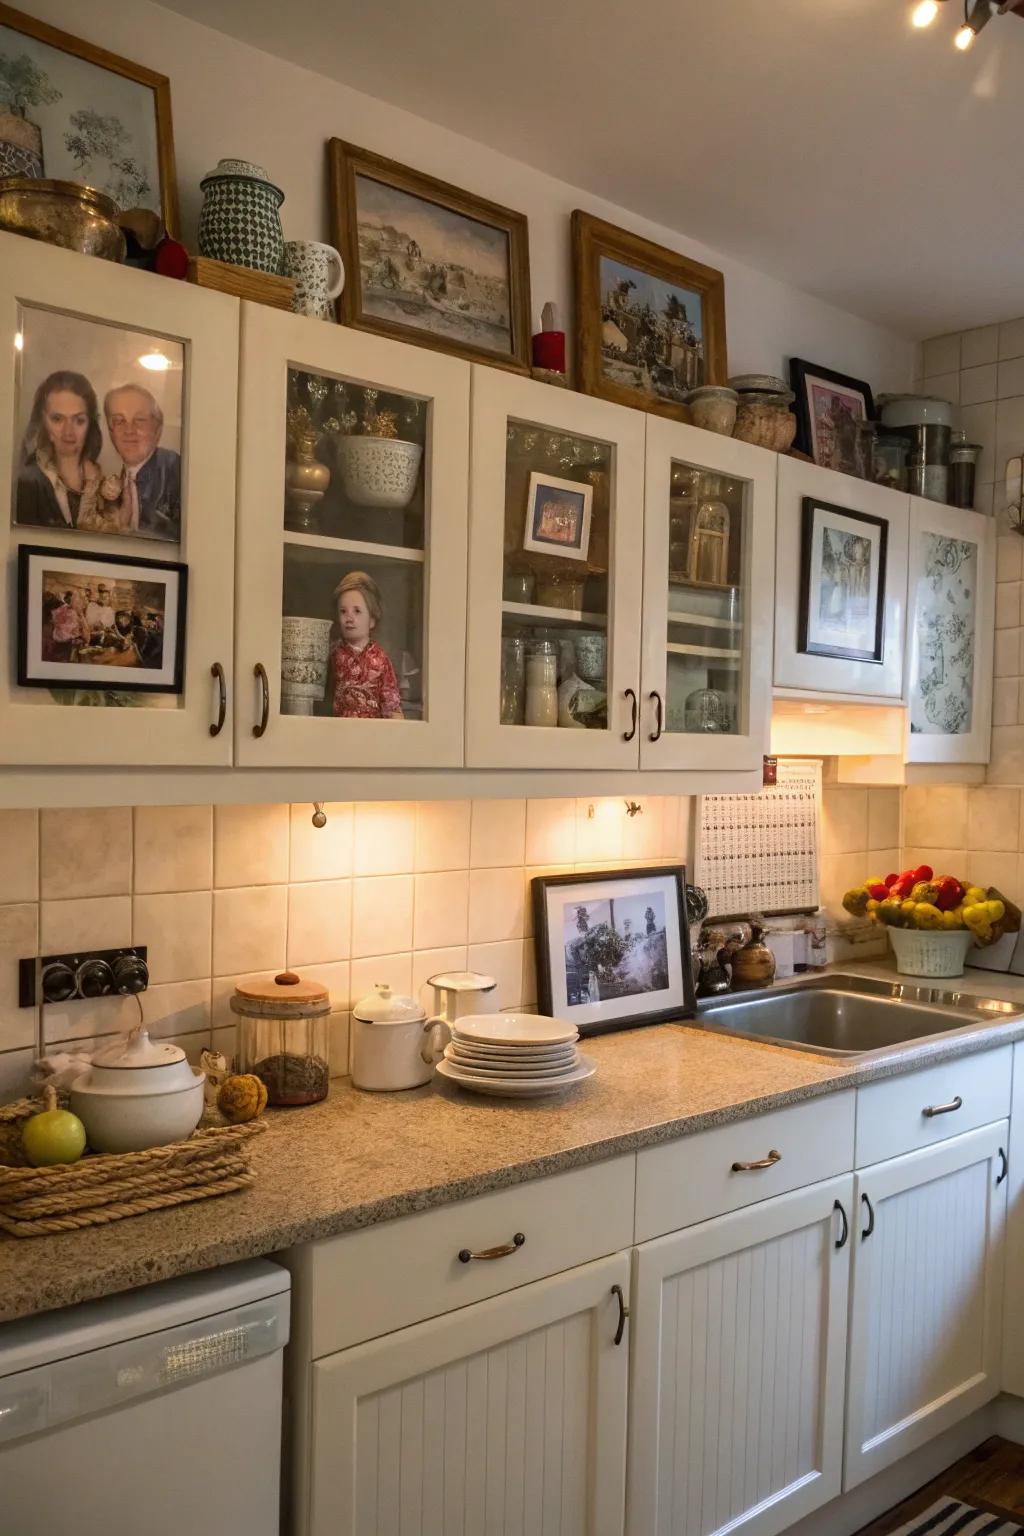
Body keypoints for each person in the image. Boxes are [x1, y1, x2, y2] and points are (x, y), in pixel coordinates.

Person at [15, 371, 108, 529]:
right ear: (43, 421)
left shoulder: (101, 482)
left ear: (90, 424)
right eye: (57, 419)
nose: (68, 432)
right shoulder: (29, 482)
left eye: (79, 420)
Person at [104, 384, 181, 540]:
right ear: (110, 432)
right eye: (119, 421)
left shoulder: (176, 471)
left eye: (139, 420)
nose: (129, 430)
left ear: (158, 429)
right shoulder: (116, 483)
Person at [329, 571, 403, 719]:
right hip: (337, 730)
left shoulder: (380, 659)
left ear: (372, 620)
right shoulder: (333, 654)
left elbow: (391, 704)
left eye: (357, 611)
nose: (349, 618)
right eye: (343, 611)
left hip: (372, 733)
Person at [85, 583, 117, 647]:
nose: (103, 596)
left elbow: (110, 626)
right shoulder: (91, 606)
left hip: (104, 636)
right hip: (91, 636)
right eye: (101, 593)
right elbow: (88, 623)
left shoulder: (110, 610)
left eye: (105, 597)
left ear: (108, 596)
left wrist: (105, 628)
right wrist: (95, 626)